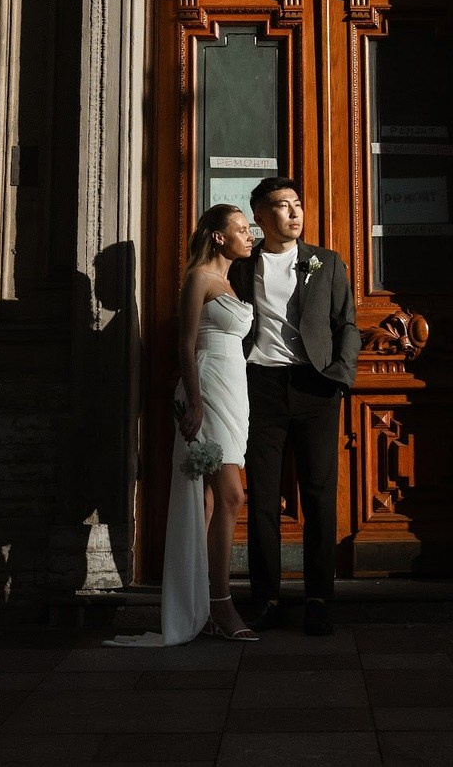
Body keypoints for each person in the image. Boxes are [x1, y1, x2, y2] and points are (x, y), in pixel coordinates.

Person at [106, 203, 257, 646]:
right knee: (232, 494)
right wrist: (193, 402)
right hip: (206, 388)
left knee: (210, 500)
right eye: (242, 229)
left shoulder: (231, 280)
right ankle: (222, 603)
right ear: (217, 236)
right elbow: (186, 344)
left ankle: (202, 605)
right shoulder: (199, 279)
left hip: (234, 390)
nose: (250, 236)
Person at [231, 176, 358, 637]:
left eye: (298, 205)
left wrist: (340, 376)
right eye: (282, 207)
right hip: (259, 387)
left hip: (315, 387)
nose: (294, 213)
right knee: (263, 499)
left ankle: (319, 599)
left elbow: (347, 323)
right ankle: (265, 599)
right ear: (260, 218)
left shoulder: (325, 263)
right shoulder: (242, 266)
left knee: (320, 496)